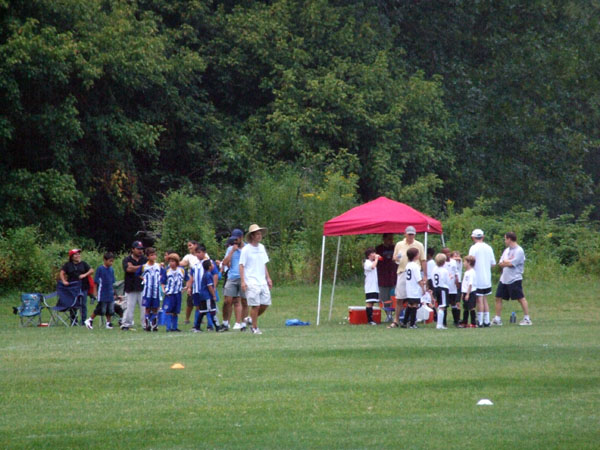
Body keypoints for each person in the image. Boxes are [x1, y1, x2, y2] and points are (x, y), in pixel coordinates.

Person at [388, 226, 427, 328]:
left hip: (415, 273)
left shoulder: (419, 245)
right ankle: (396, 320)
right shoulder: (399, 244)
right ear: (405, 234)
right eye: (409, 234)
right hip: (402, 271)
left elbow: (423, 260)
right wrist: (396, 258)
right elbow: (394, 258)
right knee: (400, 298)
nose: (410, 236)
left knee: (414, 298)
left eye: (412, 234)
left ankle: (411, 320)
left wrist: (425, 275)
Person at [492, 232, 532, 326]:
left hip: (514, 278)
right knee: (498, 297)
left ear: (509, 239)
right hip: (504, 278)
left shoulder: (519, 250)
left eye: (505, 239)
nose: (505, 241)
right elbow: (501, 263)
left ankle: (527, 319)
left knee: (520, 298)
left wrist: (507, 262)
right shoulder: (506, 250)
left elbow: (512, 264)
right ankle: (497, 319)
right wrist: (506, 262)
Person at [239, 224, 272, 335]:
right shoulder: (246, 250)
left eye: (260, 234)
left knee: (265, 303)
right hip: (251, 281)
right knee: (255, 305)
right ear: (252, 236)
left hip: (262, 281)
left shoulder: (262, 247)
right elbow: (241, 265)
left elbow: (264, 263)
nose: (259, 236)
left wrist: (268, 278)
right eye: (257, 234)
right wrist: (243, 281)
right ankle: (254, 327)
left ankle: (250, 318)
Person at [469, 229, 496, 327]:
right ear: (483, 237)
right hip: (487, 277)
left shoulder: (473, 248)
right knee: (484, 299)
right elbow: (493, 264)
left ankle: (480, 321)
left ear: (473, 237)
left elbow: (470, 261)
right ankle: (486, 320)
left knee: (479, 299)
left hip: (477, 277)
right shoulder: (489, 247)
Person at [222, 230, 248, 331]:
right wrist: (232, 251)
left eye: (236, 239)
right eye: (233, 239)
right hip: (232, 277)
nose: (235, 241)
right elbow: (225, 263)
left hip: (244, 277)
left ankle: (243, 324)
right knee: (227, 301)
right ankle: (225, 323)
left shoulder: (247, 248)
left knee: (244, 301)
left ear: (241, 237)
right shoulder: (230, 249)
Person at [60, 248, 93, 325]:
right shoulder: (68, 265)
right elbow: (61, 273)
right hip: (72, 288)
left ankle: (84, 321)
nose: (78, 255)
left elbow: (91, 270)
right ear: (71, 256)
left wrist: (84, 275)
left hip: (83, 287)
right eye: (75, 254)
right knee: (73, 304)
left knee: (83, 304)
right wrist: (64, 281)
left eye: (78, 254)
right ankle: (74, 321)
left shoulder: (83, 264)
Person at [85, 252, 116, 329]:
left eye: (112, 261)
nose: (111, 263)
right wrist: (95, 292)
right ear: (105, 260)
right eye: (110, 261)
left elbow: (112, 282)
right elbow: (96, 282)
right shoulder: (100, 269)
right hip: (102, 292)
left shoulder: (111, 270)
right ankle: (90, 320)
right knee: (101, 308)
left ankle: (108, 323)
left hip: (110, 292)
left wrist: (114, 292)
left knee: (110, 309)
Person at [121, 241, 147, 331]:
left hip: (142, 287)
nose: (140, 251)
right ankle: (126, 324)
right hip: (130, 287)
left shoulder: (145, 259)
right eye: (138, 249)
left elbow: (147, 268)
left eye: (141, 249)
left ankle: (145, 324)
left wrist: (135, 267)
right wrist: (141, 267)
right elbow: (129, 269)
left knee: (144, 307)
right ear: (132, 249)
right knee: (129, 307)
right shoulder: (127, 259)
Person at [136, 247, 163, 332]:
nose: (153, 256)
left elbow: (163, 274)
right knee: (147, 308)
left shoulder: (158, 266)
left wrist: (160, 279)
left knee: (155, 308)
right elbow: (137, 274)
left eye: (154, 255)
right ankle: (147, 324)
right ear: (147, 256)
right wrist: (143, 278)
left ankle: (154, 325)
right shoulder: (144, 266)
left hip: (156, 290)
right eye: (151, 255)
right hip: (147, 291)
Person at [188, 259, 218, 332]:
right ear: (210, 267)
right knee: (212, 311)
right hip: (207, 296)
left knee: (202, 311)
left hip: (203, 296)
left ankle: (197, 327)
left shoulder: (205, 274)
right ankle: (216, 327)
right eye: (212, 264)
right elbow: (210, 286)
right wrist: (214, 295)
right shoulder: (208, 275)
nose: (213, 265)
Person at [400, 247, 426, 328]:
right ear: (415, 256)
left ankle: (404, 322)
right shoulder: (415, 266)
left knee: (410, 305)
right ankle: (412, 323)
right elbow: (418, 279)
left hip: (409, 288)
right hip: (415, 288)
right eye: (418, 254)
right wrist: (423, 288)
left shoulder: (408, 265)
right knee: (415, 305)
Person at [161, 253, 187, 332]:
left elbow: (188, 279)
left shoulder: (181, 270)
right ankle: (168, 327)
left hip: (178, 294)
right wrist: (164, 290)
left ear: (177, 262)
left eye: (173, 261)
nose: (171, 263)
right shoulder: (167, 271)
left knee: (175, 311)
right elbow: (163, 282)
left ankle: (174, 327)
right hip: (170, 294)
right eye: (170, 261)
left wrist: (186, 287)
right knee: (168, 310)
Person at [180, 240, 200, 324]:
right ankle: (187, 319)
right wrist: (174, 261)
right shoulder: (188, 256)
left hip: (200, 281)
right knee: (190, 301)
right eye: (188, 246)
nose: (189, 247)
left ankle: (199, 318)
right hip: (191, 281)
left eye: (190, 245)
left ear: (196, 245)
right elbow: (183, 263)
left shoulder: (203, 254)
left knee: (200, 301)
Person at [375, 234, 396, 308]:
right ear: (384, 239)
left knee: (394, 297)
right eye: (389, 239)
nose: (391, 241)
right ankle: (387, 311)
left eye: (392, 239)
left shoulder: (395, 248)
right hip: (383, 276)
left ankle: (393, 310)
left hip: (393, 276)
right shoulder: (379, 249)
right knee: (383, 297)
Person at [432, 253, 451, 330]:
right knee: (442, 306)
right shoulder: (444, 270)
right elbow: (447, 281)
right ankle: (439, 324)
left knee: (440, 305)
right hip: (442, 288)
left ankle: (440, 324)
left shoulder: (434, 269)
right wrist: (450, 277)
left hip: (436, 288)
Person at [363, 247, 380, 326]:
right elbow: (372, 267)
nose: (374, 254)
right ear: (368, 255)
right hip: (369, 286)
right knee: (369, 302)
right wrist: (376, 259)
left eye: (374, 253)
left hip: (374, 286)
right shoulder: (367, 263)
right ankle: (369, 320)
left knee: (372, 302)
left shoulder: (372, 262)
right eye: (372, 253)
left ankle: (371, 319)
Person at [460, 255, 477, 328]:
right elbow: (464, 283)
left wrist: (468, 294)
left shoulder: (472, 272)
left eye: (465, 261)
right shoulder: (466, 272)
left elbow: (470, 284)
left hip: (470, 292)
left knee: (471, 307)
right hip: (465, 292)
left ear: (469, 262)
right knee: (465, 307)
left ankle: (473, 323)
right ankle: (465, 322)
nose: (464, 263)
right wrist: (463, 293)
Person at [446, 250, 462, 327]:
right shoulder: (448, 263)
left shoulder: (458, 262)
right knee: (449, 303)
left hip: (457, 284)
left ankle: (457, 320)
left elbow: (459, 259)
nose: (456, 257)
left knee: (457, 302)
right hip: (450, 285)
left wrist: (453, 258)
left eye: (457, 255)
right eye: (455, 256)